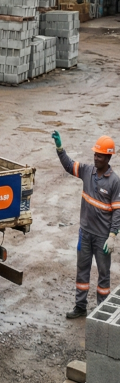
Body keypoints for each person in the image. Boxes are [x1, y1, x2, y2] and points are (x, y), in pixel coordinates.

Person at [52, 132, 120, 318]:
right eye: (95, 154)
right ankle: (80, 307)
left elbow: (117, 211)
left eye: (99, 155)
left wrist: (113, 235)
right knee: (82, 272)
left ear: (108, 157)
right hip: (85, 234)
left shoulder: (114, 181)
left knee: (104, 275)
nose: (95, 157)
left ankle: (103, 312)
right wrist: (60, 148)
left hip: (102, 238)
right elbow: (68, 165)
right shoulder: (87, 171)